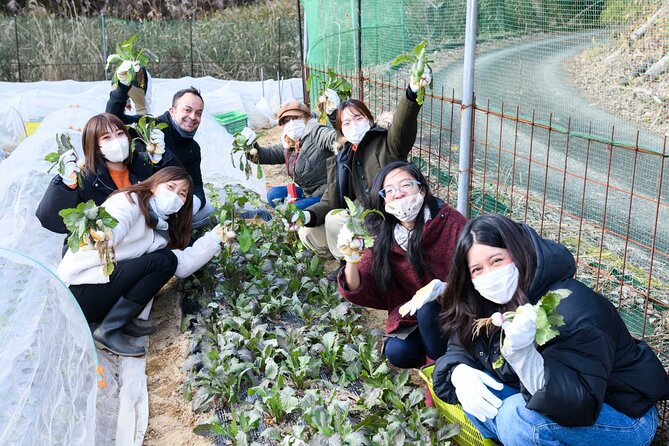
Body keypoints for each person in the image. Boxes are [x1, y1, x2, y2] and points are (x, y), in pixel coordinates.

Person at [432, 214, 669, 445]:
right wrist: (457, 372)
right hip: (555, 400)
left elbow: (580, 404)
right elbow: (459, 344)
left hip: (622, 414)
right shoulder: (486, 300)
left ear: (519, 251)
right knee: (478, 396)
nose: (489, 276)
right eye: (477, 269)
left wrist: (525, 357)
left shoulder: (572, 308)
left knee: (514, 417)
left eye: (497, 261)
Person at [56, 167, 225, 357]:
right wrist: (108, 235)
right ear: (154, 185)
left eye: (182, 194)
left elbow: (183, 266)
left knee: (166, 260)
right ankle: (108, 331)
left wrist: (217, 237)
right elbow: (118, 223)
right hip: (78, 292)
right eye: (170, 187)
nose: (175, 196)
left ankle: (119, 321)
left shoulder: (160, 228)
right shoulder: (129, 201)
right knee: (162, 262)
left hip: (97, 290)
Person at [337, 161, 466, 369]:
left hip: (456, 316)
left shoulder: (451, 223)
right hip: (413, 320)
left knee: (427, 309)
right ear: (383, 200)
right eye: (389, 190)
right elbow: (358, 287)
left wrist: (445, 288)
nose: (398, 194)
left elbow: (475, 273)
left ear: (422, 190)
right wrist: (351, 258)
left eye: (406, 185)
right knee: (397, 351)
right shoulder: (383, 233)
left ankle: (441, 373)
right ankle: (436, 361)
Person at [297, 67, 431, 267]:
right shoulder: (342, 157)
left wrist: (411, 93)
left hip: (385, 219)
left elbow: (403, 124)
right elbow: (329, 200)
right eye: (347, 123)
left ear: (369, 119)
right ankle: (351, 263)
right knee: (308, 232)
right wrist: (306, 215)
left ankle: (357, 267)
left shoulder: (387, 143)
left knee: (336, 221)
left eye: (359, 118)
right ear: (342, 129)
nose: (354, 125)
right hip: (356, 223)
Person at [106, 67, 212, 227]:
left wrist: (194, 204)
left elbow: (196, 183)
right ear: (172, 110)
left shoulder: (193, 148)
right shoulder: (151, 127)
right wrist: (122, 86)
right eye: (187, 110)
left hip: (173, 203)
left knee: (207, 212)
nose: (193, 117)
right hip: (140, 200)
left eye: (198, 113)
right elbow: (113, 120)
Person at [36, 112, 171, 234]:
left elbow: (176, 192)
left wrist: (159, 160)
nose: (117, 141)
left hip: (139, 242)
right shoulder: (85, 178)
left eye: (119, 134)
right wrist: (66, 185)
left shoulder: (142, 166)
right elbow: (52, 221)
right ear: (94, 146)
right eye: (107, 137)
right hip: (103, 250)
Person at [240, 96, 338, 210]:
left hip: (328, 193)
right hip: (308, 192)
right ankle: (304, 210)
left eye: (296, 118)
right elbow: (266, 155)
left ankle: (309, 213)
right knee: (273, 195)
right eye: (286, 120)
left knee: (293, 210)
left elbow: (336, 139)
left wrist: (335, 117)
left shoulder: (318, 133)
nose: (291, 123)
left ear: (306, 118)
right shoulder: (289, 144)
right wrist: (250, 146)